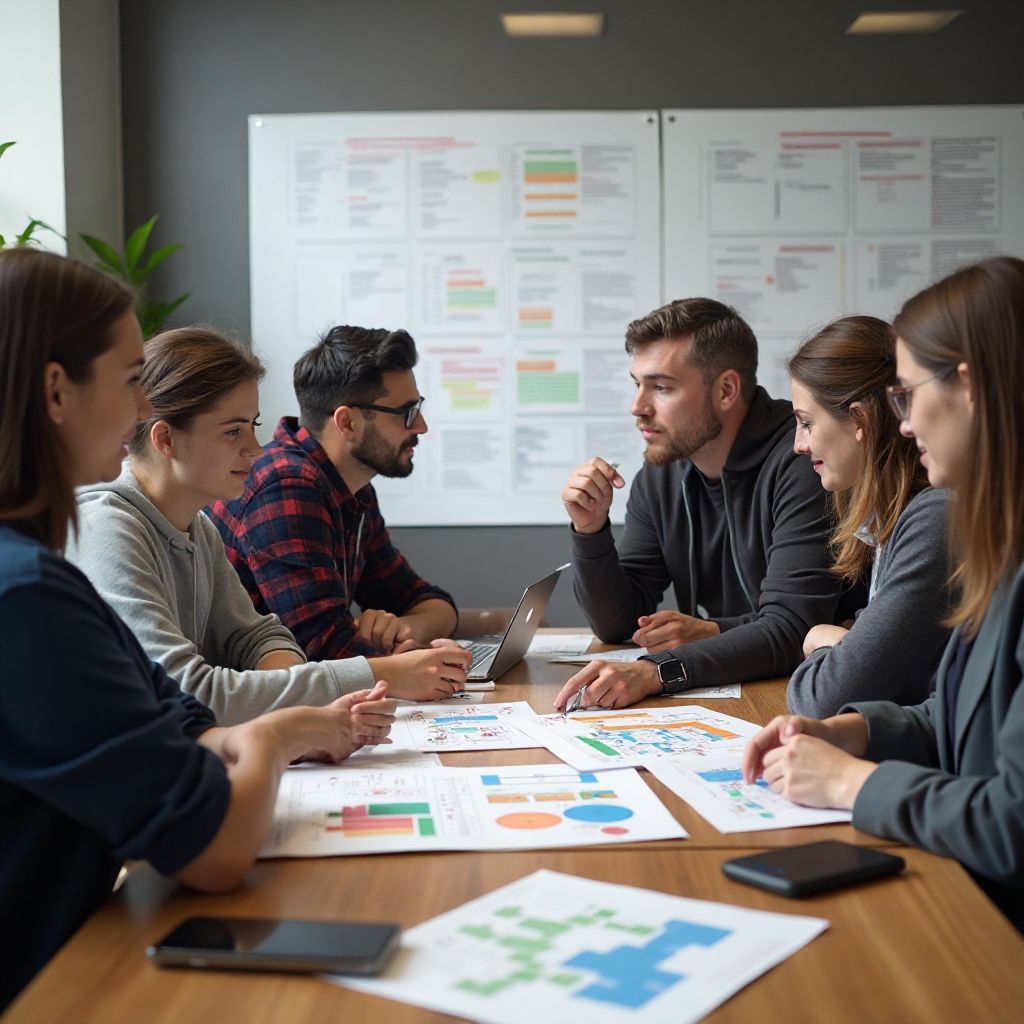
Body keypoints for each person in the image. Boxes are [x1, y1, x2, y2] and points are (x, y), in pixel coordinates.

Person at [0, 249, 397, 1009]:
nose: (137, 412)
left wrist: (271, 726)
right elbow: (214, 851)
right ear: (55, 390)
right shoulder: (26, 595)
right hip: (48, 989)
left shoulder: (40, 570)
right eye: (129, 381)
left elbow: (177, 719)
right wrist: (278, 735)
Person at [744, 256, 1024, 931]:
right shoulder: (1000, 542)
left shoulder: (952, 525)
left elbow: (1012, 824)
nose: (904, 423)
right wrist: (850, 730)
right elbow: (957, 718)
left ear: (969, 388)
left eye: (907, 396)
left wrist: (849, 781)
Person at [67, 328, 471, 726]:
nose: (255, 449)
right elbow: (186, 694)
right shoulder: (108, 529)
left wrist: (294, 700)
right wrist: (384, 674)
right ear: (166, 440)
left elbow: (259, 637)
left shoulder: (198, 528)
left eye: (252, 426)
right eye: (233, 431)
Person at [554, 298, 862, 711]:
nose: (638, 407)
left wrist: (657, 670)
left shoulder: (805, 461)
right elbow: (617, 623)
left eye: (661, 387)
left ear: (726, 390)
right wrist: (590, 530)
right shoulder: (660, 477)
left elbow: (792, 627)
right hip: (736, 691)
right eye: (637, 384)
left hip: (810, 700)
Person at [208, 325, 458, 661]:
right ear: (347, 423)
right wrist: (417, 661)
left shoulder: (355, 491)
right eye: (406, 413)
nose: (421, 427)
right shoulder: (285, 485)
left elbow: (430, 601)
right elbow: (323, 648)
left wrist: (407, 629)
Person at [786, 316, 952, 716]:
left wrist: (820, 639)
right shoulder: (894, 521)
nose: (798, 444)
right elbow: (865, 642)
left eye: (807, 423)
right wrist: (845, 644)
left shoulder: (934, 517)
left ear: (860, 419)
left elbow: (823, 698)